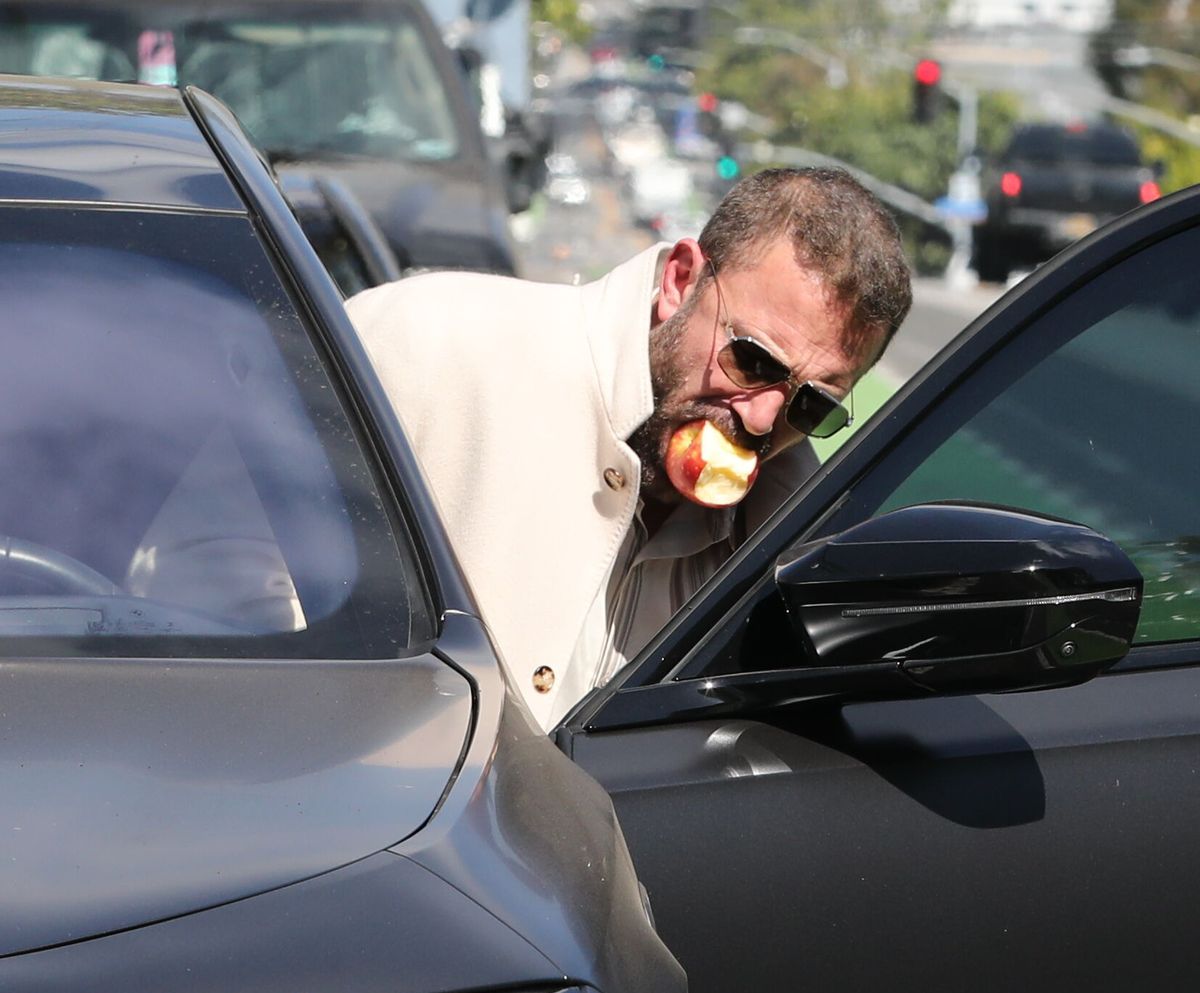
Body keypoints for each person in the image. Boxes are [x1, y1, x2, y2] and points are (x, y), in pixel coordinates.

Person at [346, 166, 913, 730]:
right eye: (753, 360)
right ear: (680, 281)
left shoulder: (789, 535)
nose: (763, 419)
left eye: (811, 405)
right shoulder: (420, 345)